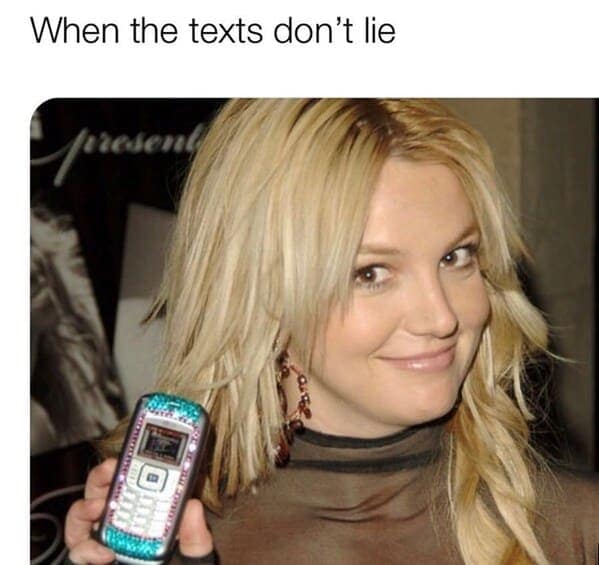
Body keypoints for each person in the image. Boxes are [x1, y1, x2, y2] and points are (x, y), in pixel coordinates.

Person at [64, 99, 598, 564]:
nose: (441, 318)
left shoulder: (576, 531)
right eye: (371, 273)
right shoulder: (181, 537)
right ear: (263, 293)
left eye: (456, 256)